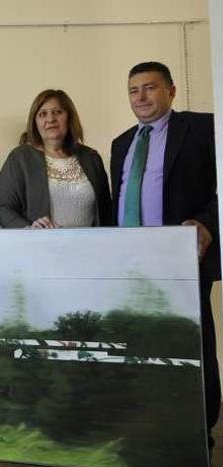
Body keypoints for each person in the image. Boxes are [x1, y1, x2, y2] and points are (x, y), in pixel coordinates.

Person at [110, 61, 220, 444]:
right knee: (139, 342)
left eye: (150, 88)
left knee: (191, 342)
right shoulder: (121, 143)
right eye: (133, 90)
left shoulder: (203, 128)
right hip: (132, 263)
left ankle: (197, 430)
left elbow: (219, 189)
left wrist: (206, 222)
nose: (141, 97)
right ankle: (147, 422)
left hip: (183, 257)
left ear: (171, 91)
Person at [0, 89, 112, 228]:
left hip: (88, 246)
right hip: (39, 246)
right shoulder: (19, 159)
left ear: (69, 117)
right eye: (42, 114)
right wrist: (28, 229)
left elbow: (106, 210)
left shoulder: (91, 158)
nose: (50, 119)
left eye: (57, 112)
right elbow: (3, 207)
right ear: (35, 122)